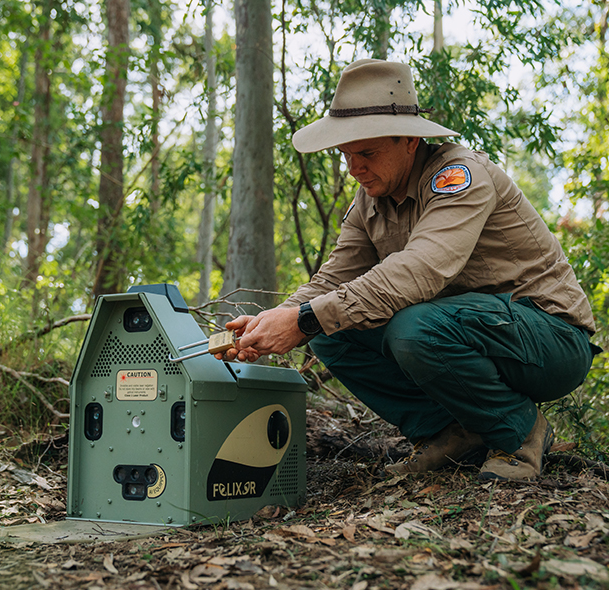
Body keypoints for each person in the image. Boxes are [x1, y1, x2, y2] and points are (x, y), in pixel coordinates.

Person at [216, 59, 601, 481]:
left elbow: (420, 269)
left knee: (408, 327)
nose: (353, 168)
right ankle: (450, 432)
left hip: (551, 338)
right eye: (346, 154)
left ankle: (520, 432)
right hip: (467, 330)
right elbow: (332, 280)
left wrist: (305, 319)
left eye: (367, 153)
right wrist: (275, 321)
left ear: (410, 142)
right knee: (330, 330)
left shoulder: (460, 177)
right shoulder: (371, 200)